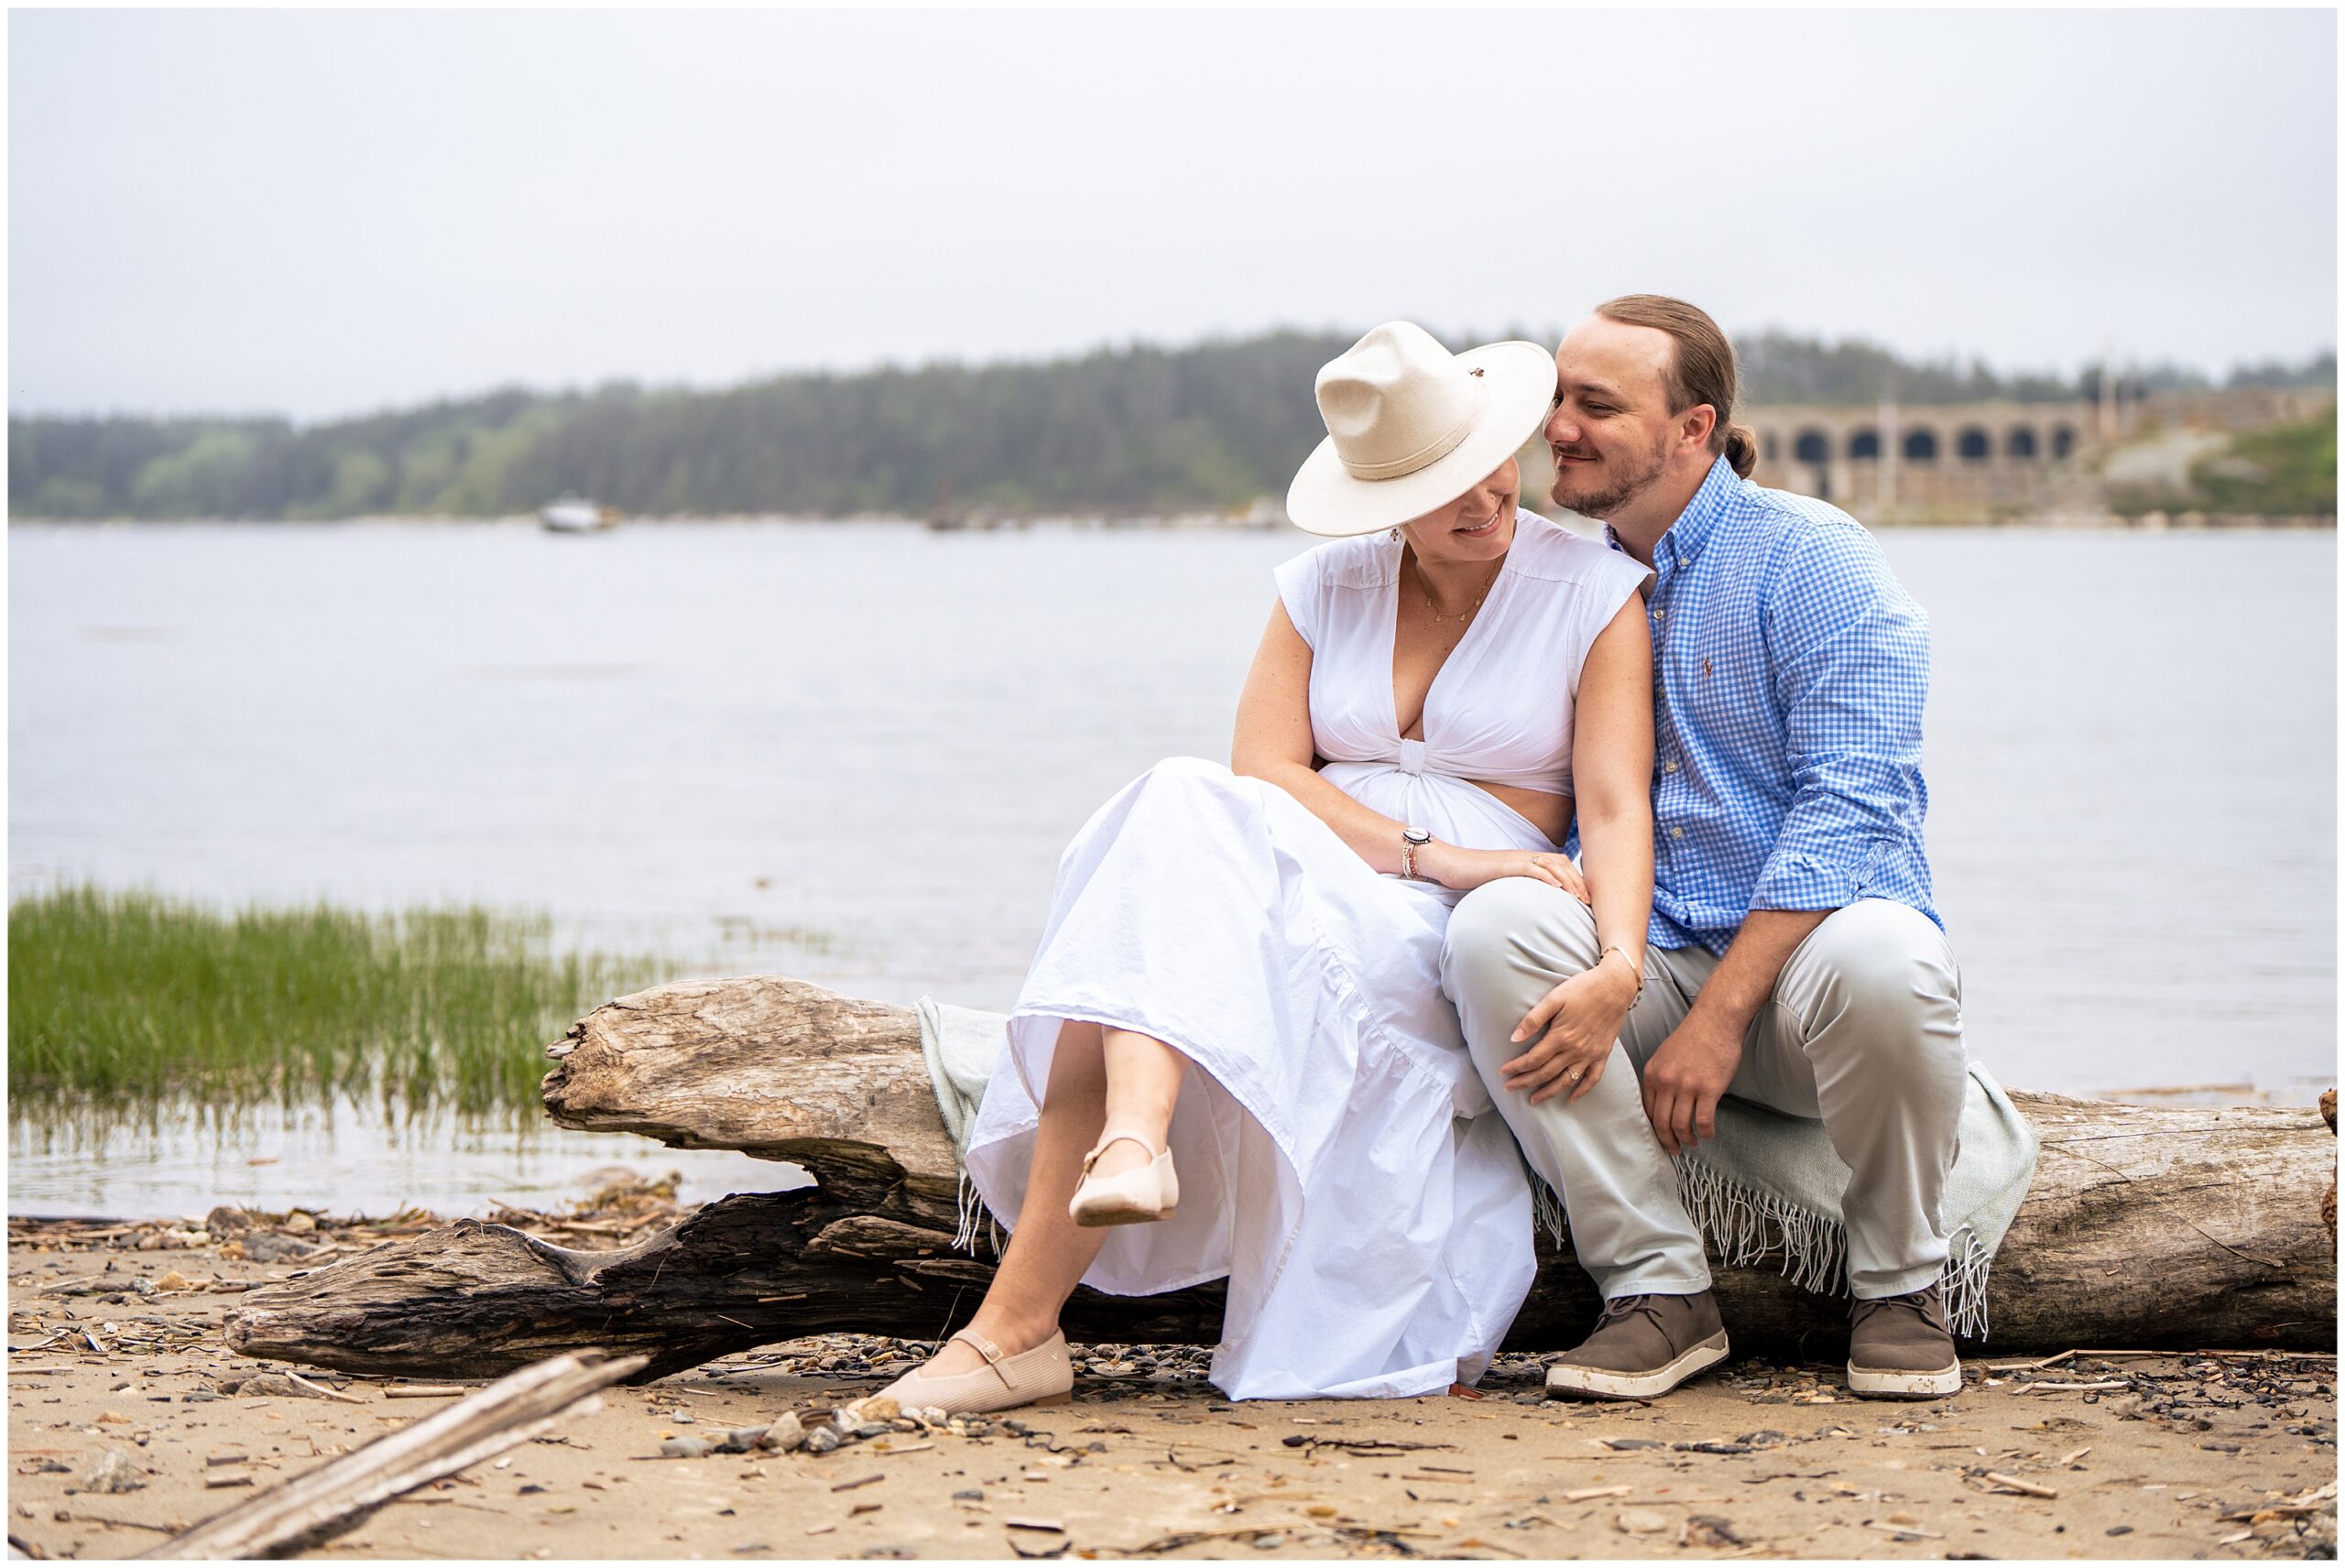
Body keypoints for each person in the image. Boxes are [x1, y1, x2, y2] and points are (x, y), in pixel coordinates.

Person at [874, 321, 1658, 1410]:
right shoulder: (1321, 585)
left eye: (1490, 464)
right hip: (1323, 869)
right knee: (1177, 795)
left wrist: (1613, 954)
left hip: (1459, 924)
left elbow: (1616, 805)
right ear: (1381, 496)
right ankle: (1124, 1155)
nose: (1482, 499)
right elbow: (1265, 770)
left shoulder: (1591, 589)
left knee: (1152, 915)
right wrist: (1422, 848)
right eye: (1440, 486)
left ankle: (1021, 1319)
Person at [1440, 294, 1965, 1403]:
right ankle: (1658, 1289)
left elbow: (1854, 806)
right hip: (1647, 949)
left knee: (1891, 958)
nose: (1559, 430)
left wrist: (1721, 1018)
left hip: (1808, 976)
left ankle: (1902, 1284)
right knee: (1491, 932)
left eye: (1596, 404)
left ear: (1692, 428)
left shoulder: (1812, 559)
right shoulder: (1556, 580)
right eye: (1556, 402)